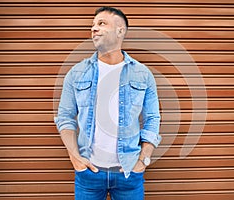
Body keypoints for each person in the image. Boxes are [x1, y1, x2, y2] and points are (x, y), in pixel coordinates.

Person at [54, 6, 161, 200]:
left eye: (101, 23)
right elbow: (65, 118)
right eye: (93, 25)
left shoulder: (143, 74)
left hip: (129, 174)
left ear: (120, 30)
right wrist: (75, 158)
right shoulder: (76, 73)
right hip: (89, 174)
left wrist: (142, 161)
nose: (94, 28)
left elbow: (152, 118)